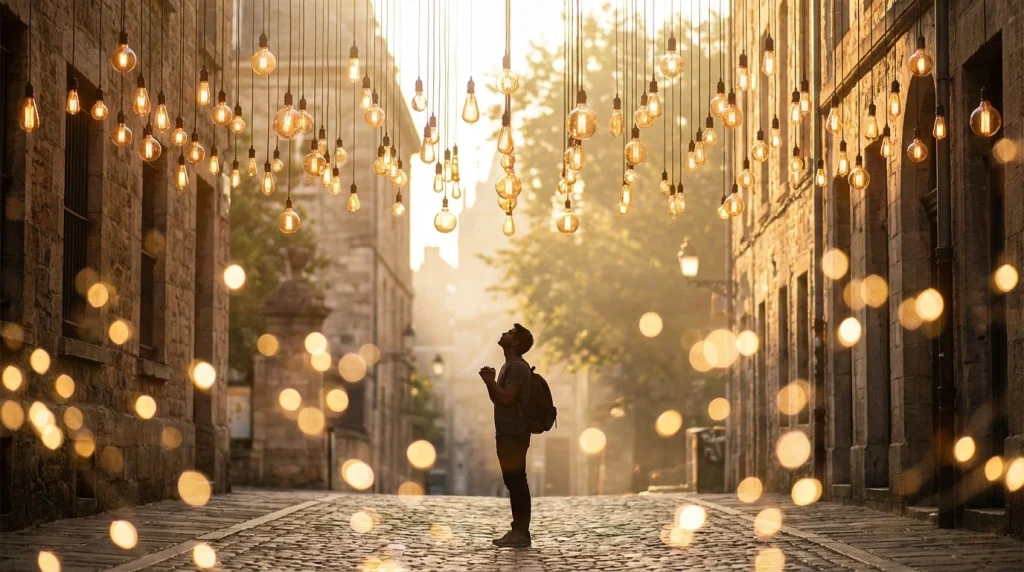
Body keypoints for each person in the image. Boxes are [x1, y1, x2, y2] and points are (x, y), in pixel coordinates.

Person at [479, 323, 534, 548]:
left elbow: (507, 398)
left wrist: (490, 381)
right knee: (512, 481)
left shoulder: (518, 368)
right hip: (506, 432)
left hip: (514, 432)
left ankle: (521, 532)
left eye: (510, 333)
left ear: (514, 343)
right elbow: (499, 399)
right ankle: (517, 530)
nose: (504, 332)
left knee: (517, 481)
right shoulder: (508, 366)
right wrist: (490, 382)